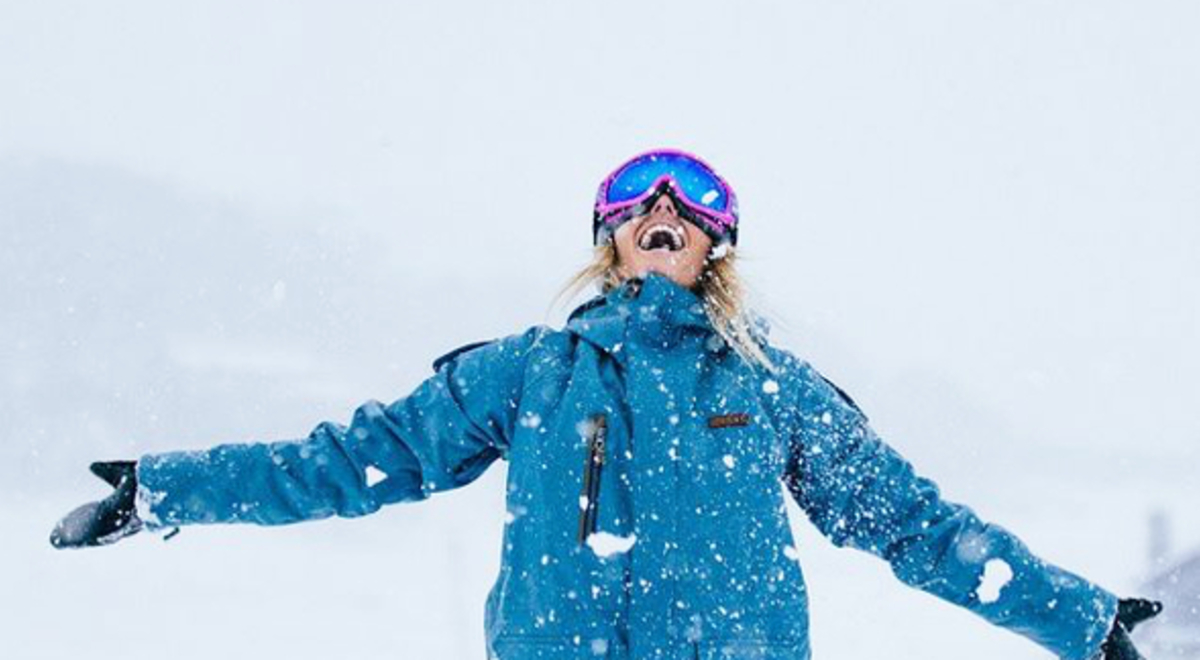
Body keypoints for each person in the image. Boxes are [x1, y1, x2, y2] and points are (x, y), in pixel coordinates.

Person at [51, 149, 1161, 659]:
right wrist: (164, 491)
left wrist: (1077, 618)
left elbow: (915, 526)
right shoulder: (525, 374)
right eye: (637, 198)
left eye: (694, 200)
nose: (664, 208)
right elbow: (350, 460)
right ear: (612, 239)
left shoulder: (775, 390)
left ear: (717, 244)